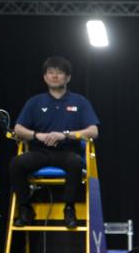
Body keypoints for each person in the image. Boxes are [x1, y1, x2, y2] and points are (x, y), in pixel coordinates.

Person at [9, 56, 100, 229]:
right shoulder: (34, 102)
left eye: (59, 73)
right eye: (50, 72)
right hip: (40, 152)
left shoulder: (80, 102)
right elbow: (18, 129)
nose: (55, 76)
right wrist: (37, 135)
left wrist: (65, 135)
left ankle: (69, 209)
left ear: (68, 77)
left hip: (67, 152)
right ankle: (26, 208)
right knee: (16, 163)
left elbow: (93, 131)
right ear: (45, 77)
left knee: (75, 163)